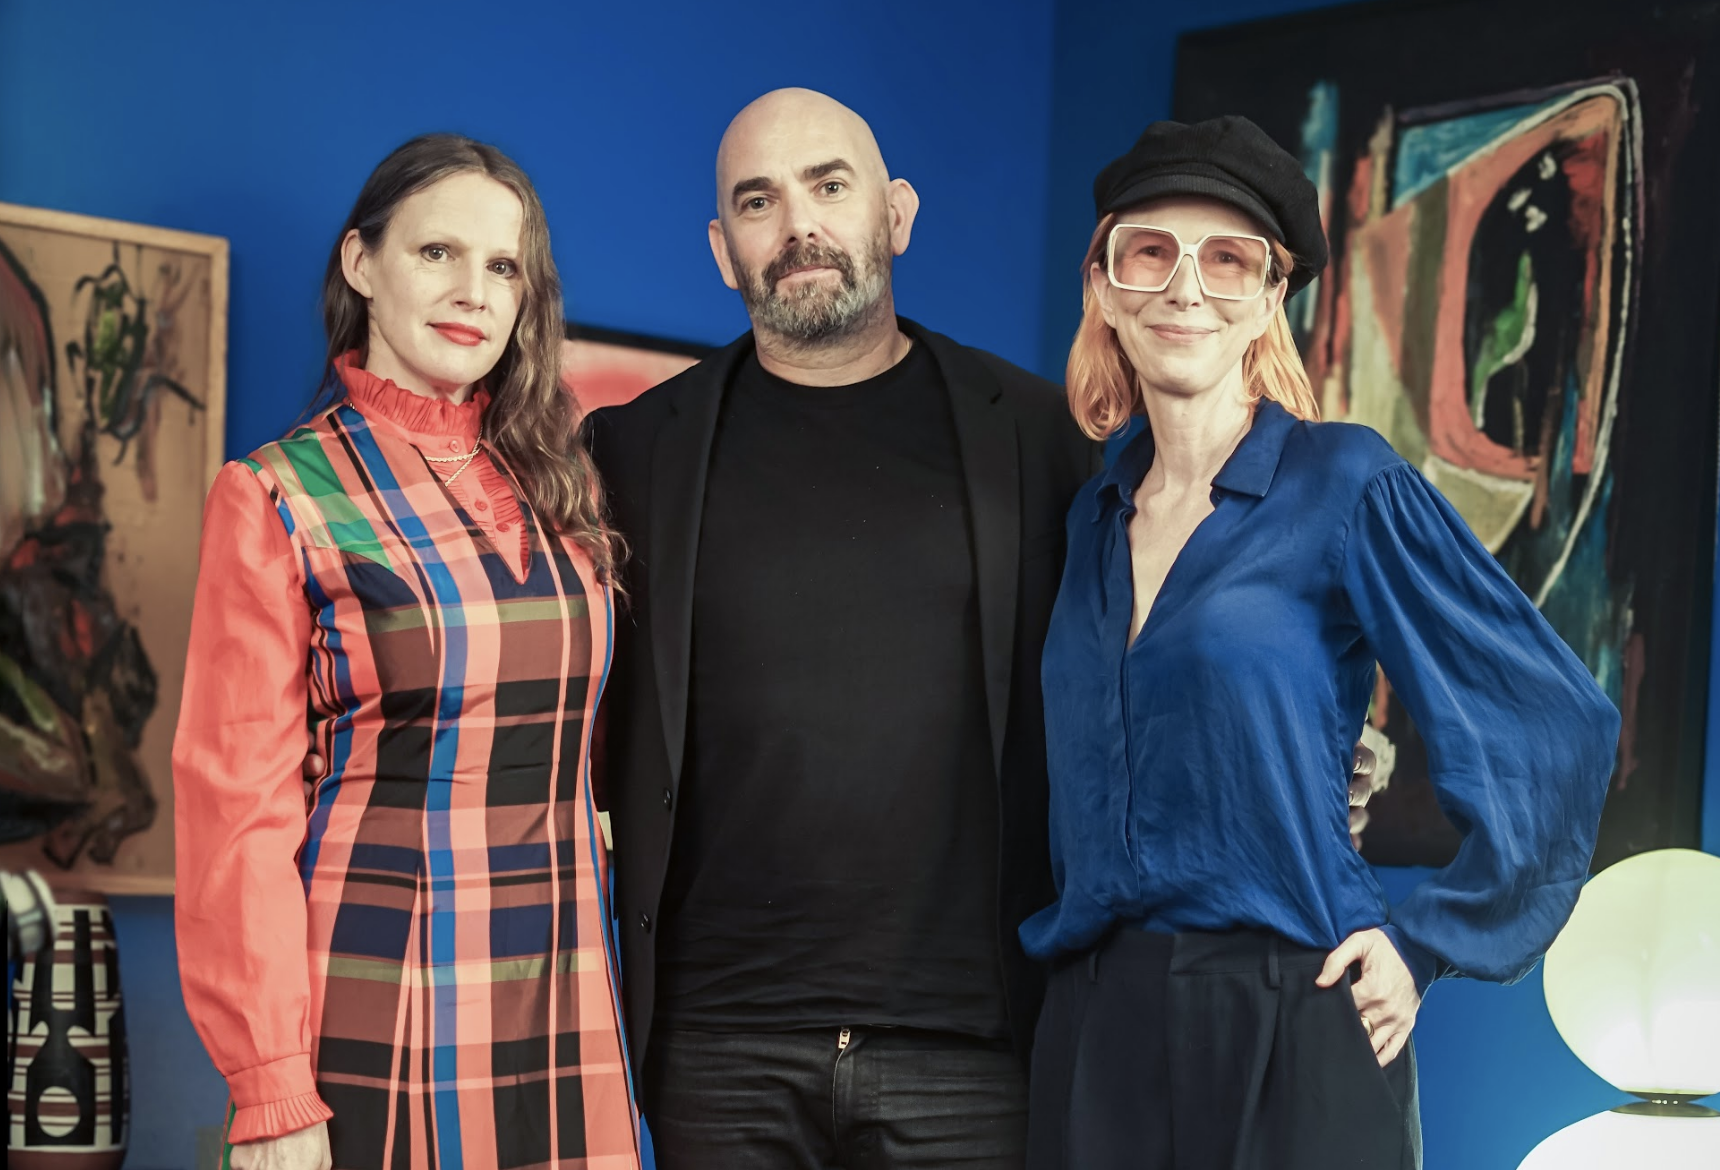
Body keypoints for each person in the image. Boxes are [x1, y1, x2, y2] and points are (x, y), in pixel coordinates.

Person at [586, 91, 1383, 1170]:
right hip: (720, 1045)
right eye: (758, 202)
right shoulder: (632, 454)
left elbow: (1158, 656)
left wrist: (1334, 757)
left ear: (897, 213)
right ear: (724, 249)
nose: (799, 225)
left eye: (830, 186)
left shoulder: (1048, 444)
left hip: (974, 1044)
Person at [1021, 116, 1621, 1170]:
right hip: (1097, 1024)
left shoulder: (1342, 483)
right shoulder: (1092, 518)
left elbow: (1549, 720)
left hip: (1291, 1013)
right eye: (1149, 251)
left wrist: (1426, 943)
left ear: (1267, 299)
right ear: (1104, 286)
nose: (1185, 288)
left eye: (1229, 259)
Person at [174, 134, 639, 1170]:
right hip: (381, 985)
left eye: (503, 266)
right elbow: (234, 814)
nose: (472, 290)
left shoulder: (566, 493)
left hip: (564, 987)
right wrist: (272, 1091)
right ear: (360, 265)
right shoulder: (277, 497)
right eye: (436, 252)